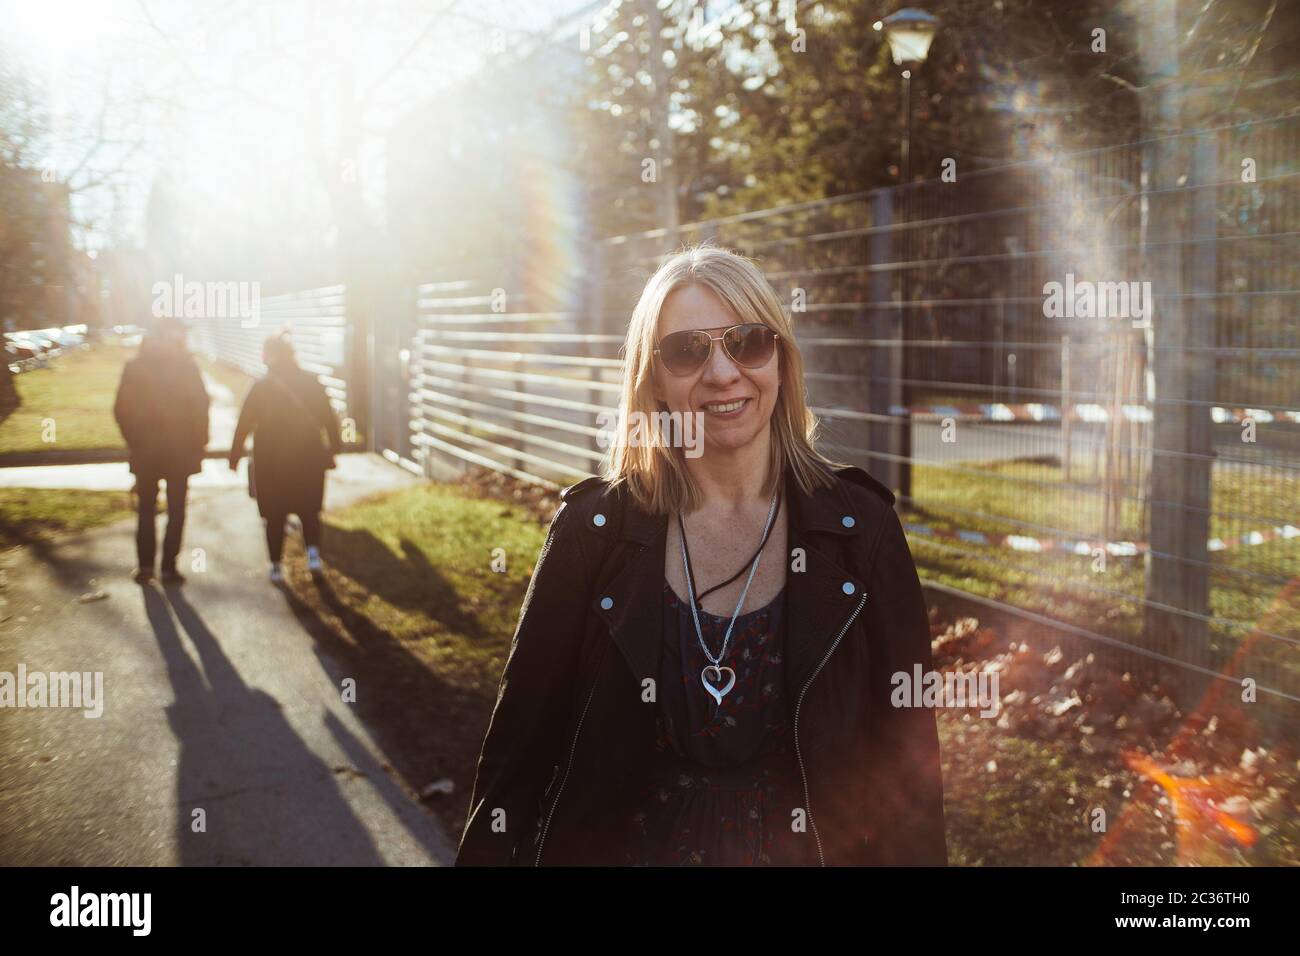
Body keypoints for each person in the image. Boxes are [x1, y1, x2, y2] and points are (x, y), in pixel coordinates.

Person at [456, 244, 946, 867]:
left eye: (747, 341)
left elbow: (909, 763)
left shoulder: (861, 529)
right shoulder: (592, 533)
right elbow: (517, 759)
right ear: (652, 378)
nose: (722, 372)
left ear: (781, 362)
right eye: (687, 350)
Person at [228, 332, 342, 583]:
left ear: (271, 356)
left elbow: (244, 422)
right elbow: (328, 418)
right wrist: (334, 448)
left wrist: (235, 455)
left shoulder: (261, 386)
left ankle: (276, 566)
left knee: (275, 513)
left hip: (271, 460)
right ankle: (313, 556)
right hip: (308, 457)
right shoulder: (312, 383)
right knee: (309, 509)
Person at [113, 316, 210, 585]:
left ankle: (145, 566)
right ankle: (168, 567)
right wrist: (198, 443)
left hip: (145, 451)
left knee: (146, 507)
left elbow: (121, 409)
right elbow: (201, 408)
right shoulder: (186, 367)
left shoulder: (135, 367)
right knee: (176, 509)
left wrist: (133, 440)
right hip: (179, 452)